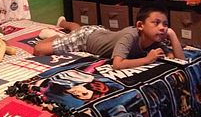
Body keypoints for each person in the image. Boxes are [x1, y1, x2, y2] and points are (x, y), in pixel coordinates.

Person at [33, 5, 185, 70]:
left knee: (77, 30)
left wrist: (172, 34)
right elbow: (117, 64)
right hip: (85, 39)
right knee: (39, 49)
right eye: (156, 23)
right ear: (140, 26)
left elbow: (180, 59)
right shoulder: (130, 36)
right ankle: (56, 35)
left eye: (165, 24)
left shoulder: (154, 39)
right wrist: (146, 60)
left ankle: (64, 24)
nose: (162, 28)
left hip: (100, 32)